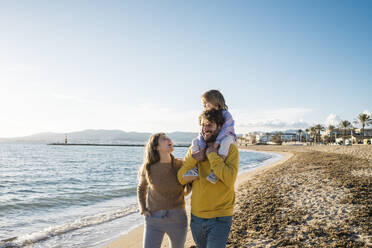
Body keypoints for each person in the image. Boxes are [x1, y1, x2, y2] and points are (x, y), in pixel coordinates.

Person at [178, 109, 239, 248]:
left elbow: (229, 179)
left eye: (210, 125)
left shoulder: (230, 149)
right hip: (197, 216)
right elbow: (181, 178)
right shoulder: (194, 149)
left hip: (221, 216)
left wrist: (212, 155)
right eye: (203, 125)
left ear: (219, 126)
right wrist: (195, 159)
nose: (205, 129)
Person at [137, 133, 189, 248]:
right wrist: (143, 208)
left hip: (178, 218)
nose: (169, 139)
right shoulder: (148, 167)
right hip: (154, 219)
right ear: (156, 147)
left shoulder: (180, 165)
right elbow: (141, 189)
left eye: (168, 137)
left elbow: (189, 185)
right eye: (164, 139)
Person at [183, 89, 237, 184]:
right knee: (195, 141)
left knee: (225, 142)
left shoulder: (226, 114)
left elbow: (225, 130)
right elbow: (201, 133)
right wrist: (202, 148)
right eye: (203, 105)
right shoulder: (206, 115)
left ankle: (215, 171)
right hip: (215, 140)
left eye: (206, 104)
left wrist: (217, 142)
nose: (204, 107)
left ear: (216, 103)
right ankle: (195, 168)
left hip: (227, 136)